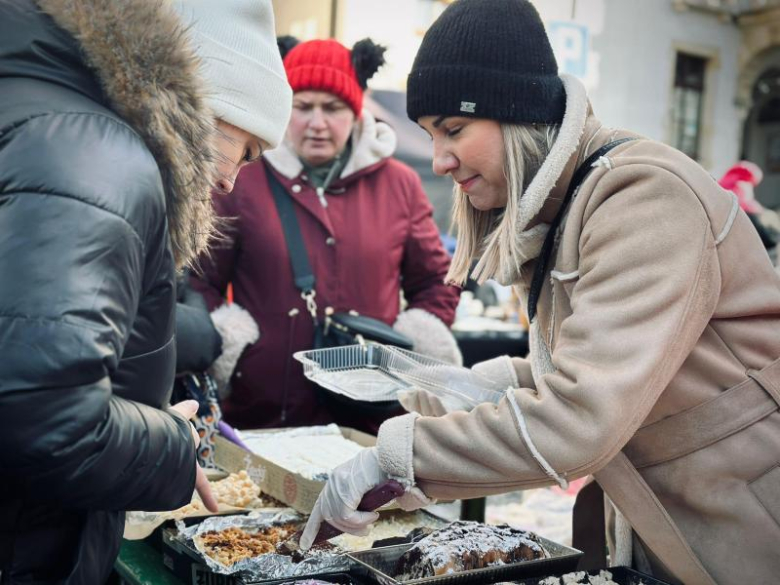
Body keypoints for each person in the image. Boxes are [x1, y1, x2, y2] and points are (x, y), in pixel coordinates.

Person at [300, 2, 780, 584]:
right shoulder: (574, 203)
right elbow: (600, 369)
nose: (439, 159)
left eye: (454, 129)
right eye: (429, 134)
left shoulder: (644, 197)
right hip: (670, 518)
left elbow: (578, 417)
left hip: (739, 533)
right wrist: (475, 387)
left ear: (519, 115)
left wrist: (395, 458)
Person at [0, 0, 291, 582]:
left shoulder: (49, 115)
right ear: (205, 96)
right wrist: (172, 446)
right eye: (247, 151)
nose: (234, 180)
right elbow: (42, 419)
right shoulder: (95, 154)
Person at [190, 37, 461, 432]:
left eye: (332, 108)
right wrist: (236, 343)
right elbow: (199, 280)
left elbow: (439, 280)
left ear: (355, 112)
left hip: (368, 418)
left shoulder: (399, 184)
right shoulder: (243, 179)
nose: (317, 123)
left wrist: (410, 341)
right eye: (302, 106)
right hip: (261, 413)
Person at [718, 160, 780, 251]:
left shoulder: (724, 180)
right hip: (740, 216)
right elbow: (746, 204)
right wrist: (762, 211)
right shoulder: (743, 184)